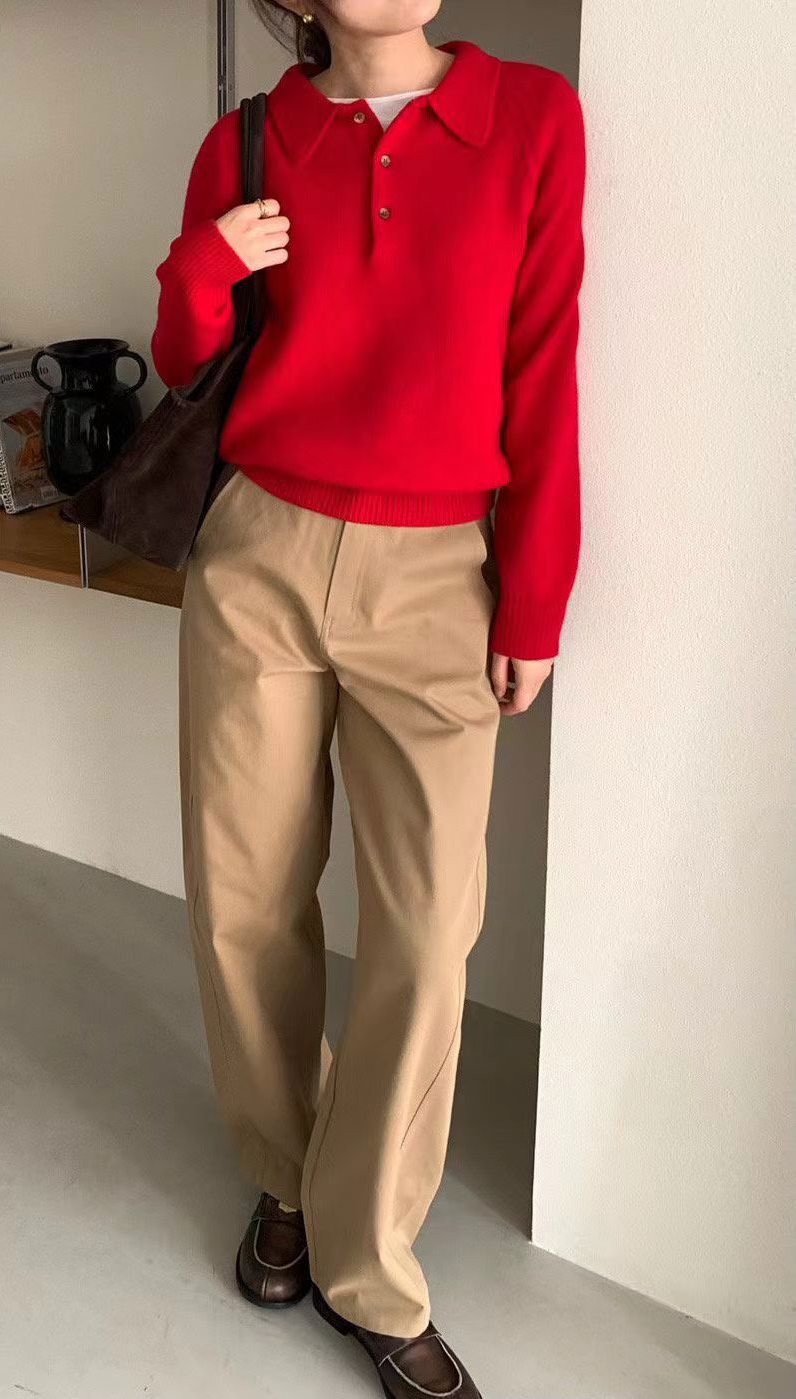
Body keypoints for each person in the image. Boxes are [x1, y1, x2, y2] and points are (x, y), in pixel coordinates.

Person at [150, 3, 586, 1394]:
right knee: (245, 891)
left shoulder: (528, 119)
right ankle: (282, 1174)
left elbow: (543, 360)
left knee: (427, 928)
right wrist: (200, 264)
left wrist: (534, 598)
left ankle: (366, 1261)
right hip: (260, 549)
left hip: (440, 573)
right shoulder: (250, 137)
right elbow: (184, 356)